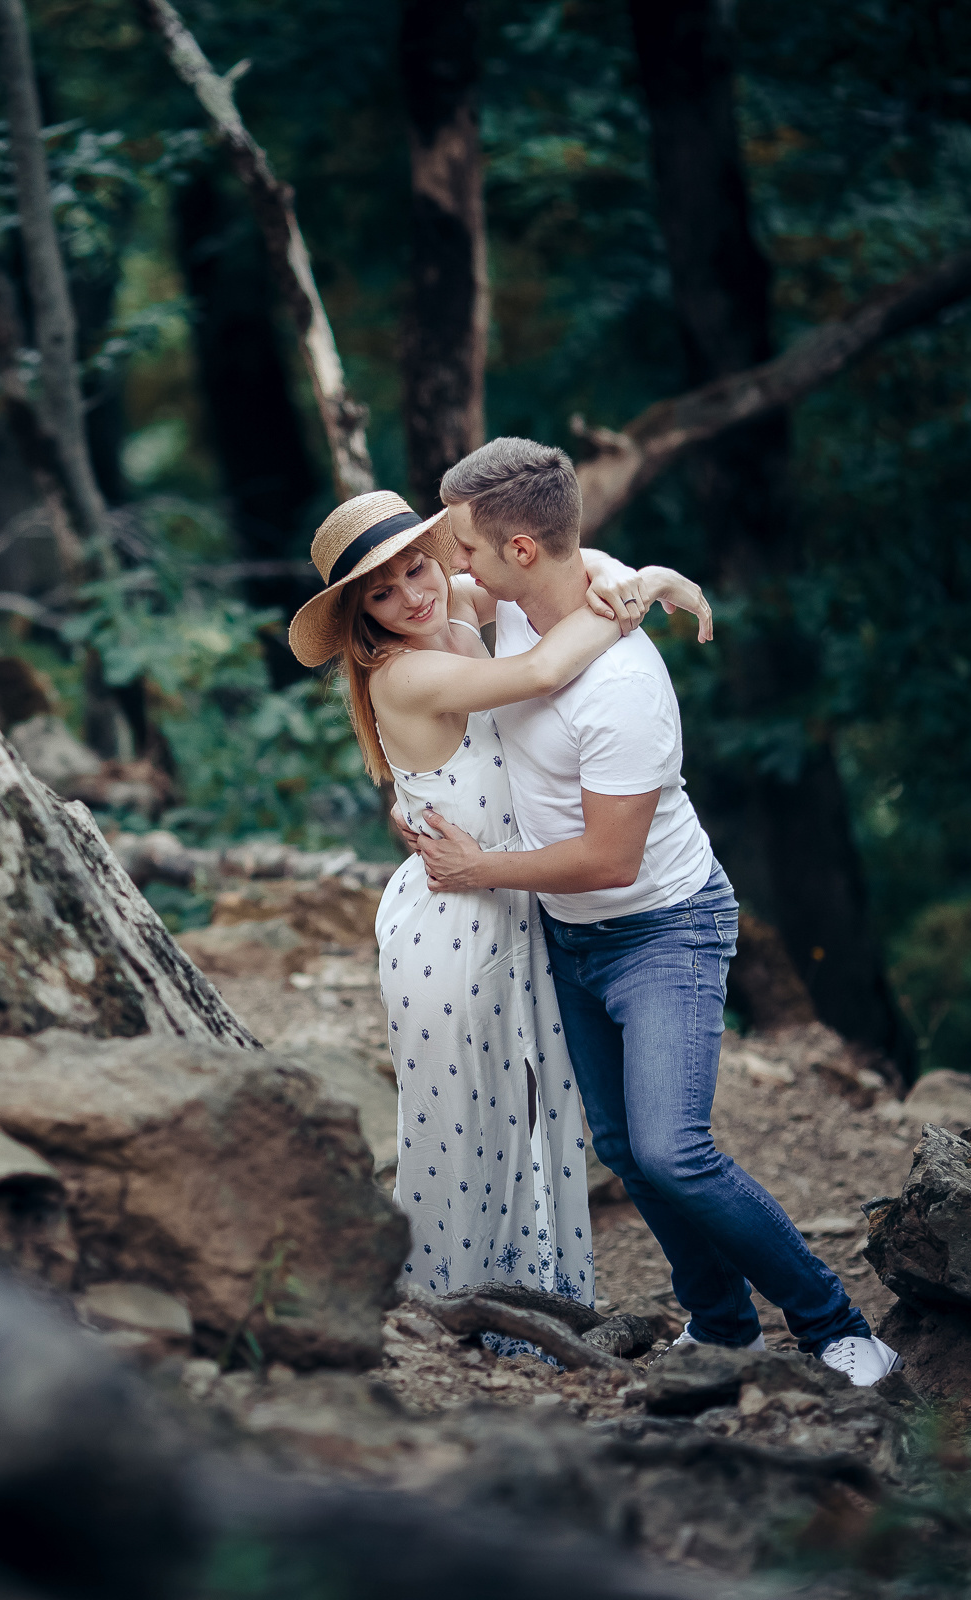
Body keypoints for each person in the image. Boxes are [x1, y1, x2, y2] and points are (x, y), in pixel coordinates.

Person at [396, 437, 900, 1386]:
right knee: (626, 1148)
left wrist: (482, 868)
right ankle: (721, 1328)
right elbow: (445, 613)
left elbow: (609, 856)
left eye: (464, 549)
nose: (450, 572)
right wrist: (657, 575)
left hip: (661, 927)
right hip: (571, 931)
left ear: (520, 551)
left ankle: (839, 1327)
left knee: (674, 1150)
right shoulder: (516, 602)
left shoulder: (622, 686)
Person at [283, 489, 708, 1335]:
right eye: (383, 591)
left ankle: (530, 1302)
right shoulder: (405, 670)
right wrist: (650, 590)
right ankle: (450, 1312)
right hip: (457, 925)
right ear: (362, 615)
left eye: (416, 565)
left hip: (507, 896)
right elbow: (547, 668)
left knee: (529, 1115)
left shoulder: (457, 605)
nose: (413, 593)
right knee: (465, 1125)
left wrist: (628, 573)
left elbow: (558, 570)